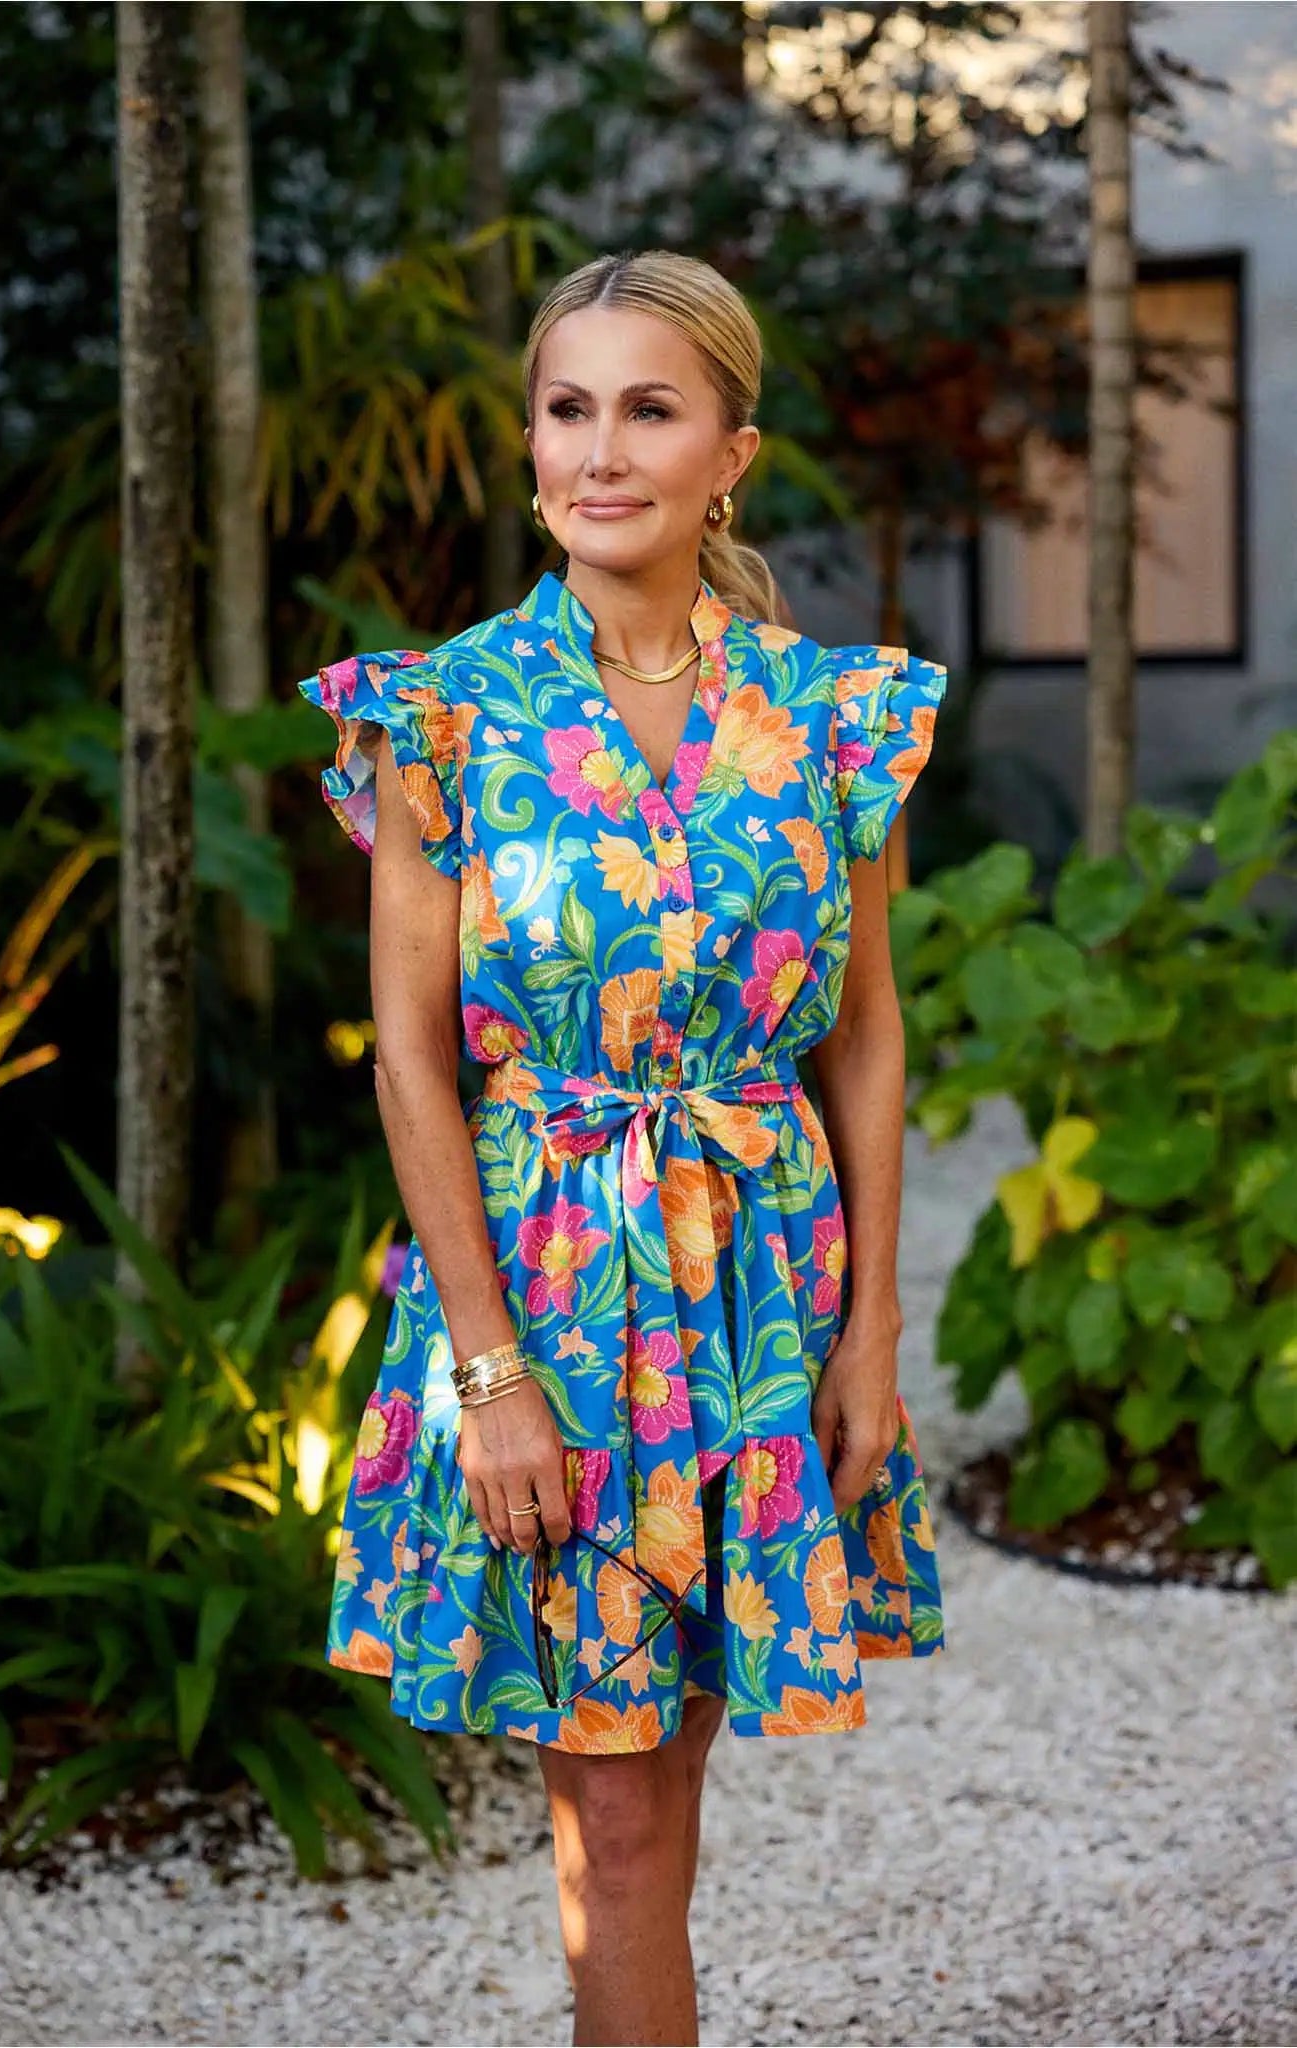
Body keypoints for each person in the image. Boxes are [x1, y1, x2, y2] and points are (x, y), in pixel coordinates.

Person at [299, 248, 948, 2046]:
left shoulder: (832, 716)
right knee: (618, 1806)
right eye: (569, 409)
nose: (602, 450)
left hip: (756, 1287)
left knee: (680, 1778)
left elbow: (868, 1032)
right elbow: (413, 1064)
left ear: (728, 449)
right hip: (547, 1300)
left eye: (648, 409)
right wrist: (488, 1374)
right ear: (527, 445)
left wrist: (873, 1323)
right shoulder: (442, 708)